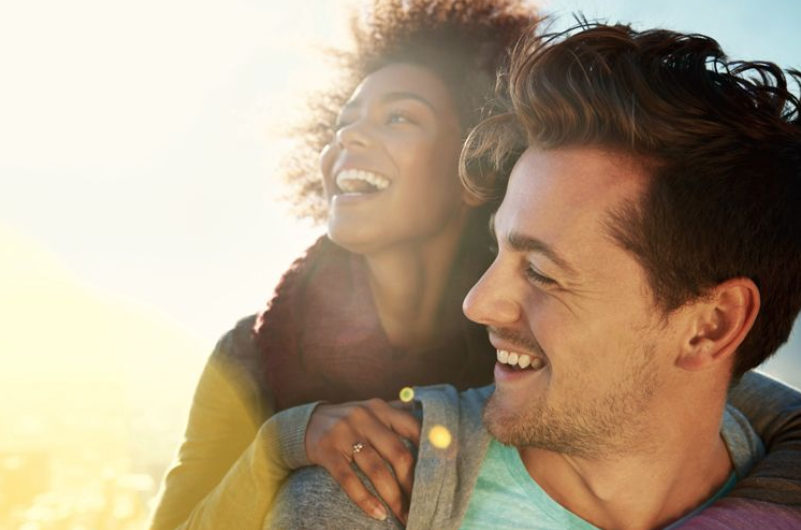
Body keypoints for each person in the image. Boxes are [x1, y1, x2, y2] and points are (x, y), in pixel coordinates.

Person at [265, 22, 801, 529]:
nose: (478, 303)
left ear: (711, 326)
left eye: (542, 273)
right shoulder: (354, 506)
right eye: (495, 249)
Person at [147, 1, 538, 528]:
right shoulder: (247, 358)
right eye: (342, 124)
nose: (347, 139)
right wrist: (285, 441)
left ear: (477, 166)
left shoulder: (523, 344)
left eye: (399, 116)